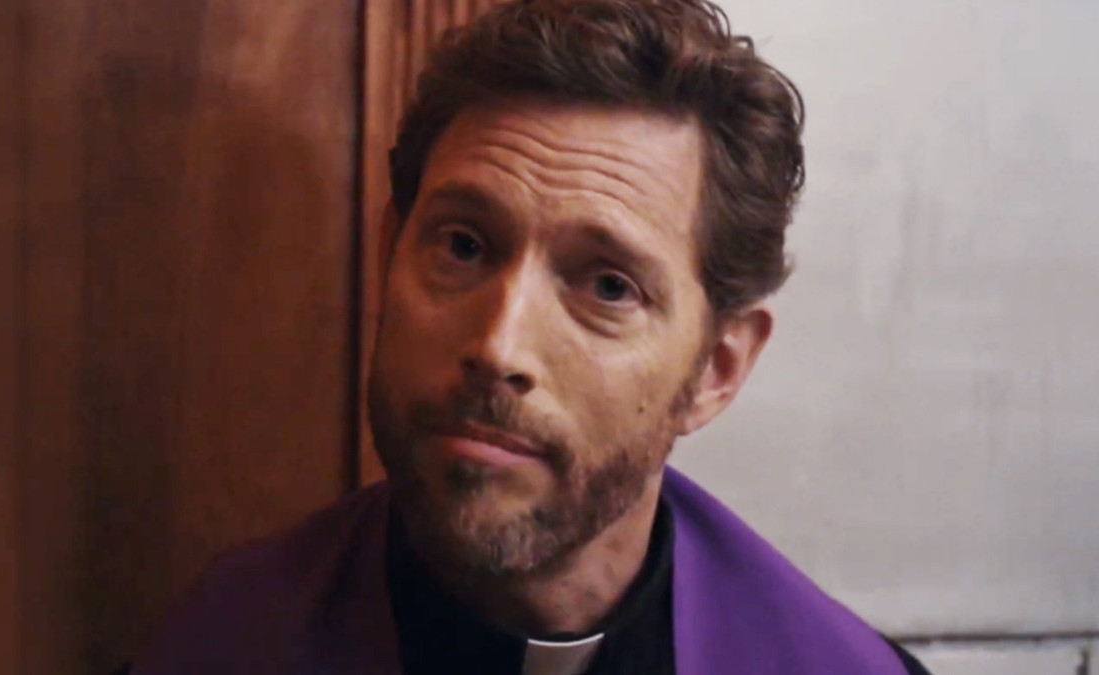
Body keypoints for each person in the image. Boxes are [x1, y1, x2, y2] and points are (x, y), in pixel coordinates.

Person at [127, 1, 932, 673]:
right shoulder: (217, 644)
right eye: (463, 246)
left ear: (715, 370)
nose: (499, 346)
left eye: (608, 286)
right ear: (389, 255)